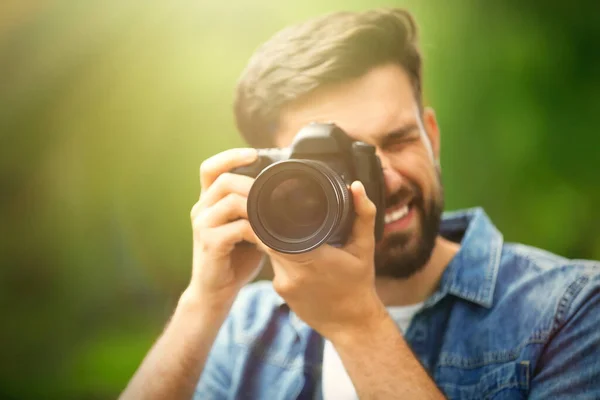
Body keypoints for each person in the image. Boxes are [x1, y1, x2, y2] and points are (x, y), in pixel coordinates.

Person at [121, 8, 600, 399]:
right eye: (341, 162)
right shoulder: (247, 326)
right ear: (270, 177)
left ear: (431, 137)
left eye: (397, 141)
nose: (383, 181)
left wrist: (357, 324)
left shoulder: (571, 309)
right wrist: (204, 303)